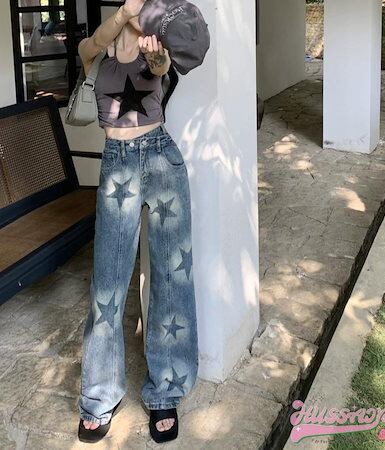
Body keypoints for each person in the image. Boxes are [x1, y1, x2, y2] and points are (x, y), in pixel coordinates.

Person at [76, 0, 198, 443]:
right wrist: (123, 16)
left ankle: (166, 389)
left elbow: (163, 67)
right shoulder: (100, 48)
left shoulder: (156, 42)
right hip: (118, 165)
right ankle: (99, 395)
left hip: (162, 159)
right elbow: (88, 48)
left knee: (171, 275)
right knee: (108, 280)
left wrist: (157, 57)